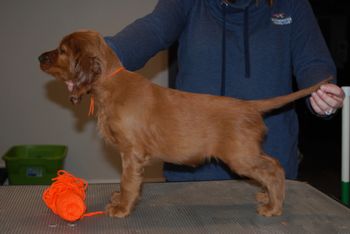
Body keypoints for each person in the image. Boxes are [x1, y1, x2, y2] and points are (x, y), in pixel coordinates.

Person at [104, 0, 345, 181]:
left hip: (267, 158)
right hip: (192, 170)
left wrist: (323, 91)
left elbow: (313, 62)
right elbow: (151, 30)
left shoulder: (292, 5)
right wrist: (99, 57)